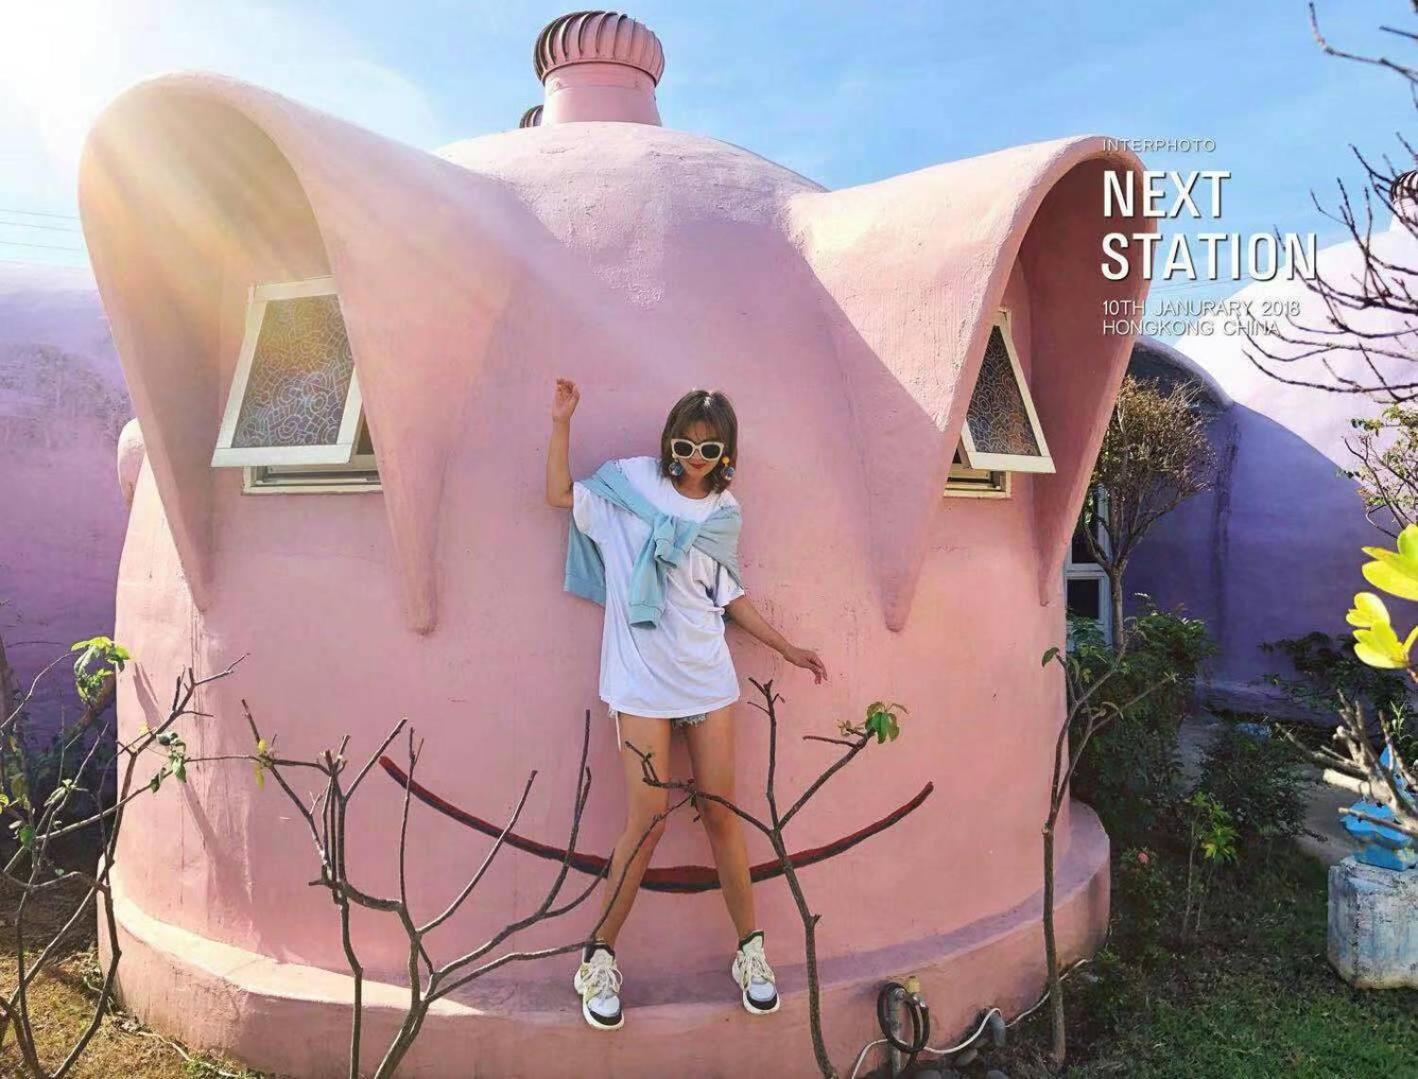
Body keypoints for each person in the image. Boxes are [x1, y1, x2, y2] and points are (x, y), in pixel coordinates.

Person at [546, 378, 828, 1032]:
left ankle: (750, 953)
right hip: (640, 682)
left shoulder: (724, 513)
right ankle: (598, 957)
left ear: (726, 453)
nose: (695, 458)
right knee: (646, 821)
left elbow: (729, 599)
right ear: (669, 442)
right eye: (684, 445)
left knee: (722, 814)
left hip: (705, 680)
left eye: (709, 449)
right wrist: (562, 422)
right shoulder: (628, 486)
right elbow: (559, 494)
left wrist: (786, 647)